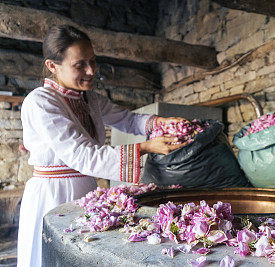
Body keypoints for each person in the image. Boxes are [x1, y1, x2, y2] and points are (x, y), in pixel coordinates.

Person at [17, 25, 187, 267]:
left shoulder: (89, 98)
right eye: (80, 65)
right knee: (55, 256)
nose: (90, 71)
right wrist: (146, 148)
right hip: (53, 194)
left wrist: (160, 121)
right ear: (52, 66)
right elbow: (82, 155)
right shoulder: (41, 102)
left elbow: (126, 119)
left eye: (93, 62)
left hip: (86, 189)